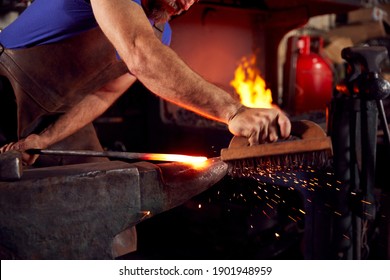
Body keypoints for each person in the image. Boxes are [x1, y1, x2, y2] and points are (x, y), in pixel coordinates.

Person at [0, 0, 291, 166]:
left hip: (57, 114)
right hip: (6, 87)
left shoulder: (160, 34)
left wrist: (44, 140)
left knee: (101, 188)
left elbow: (104, 94)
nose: (187, 2)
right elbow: (140, 54)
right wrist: (233, 111)